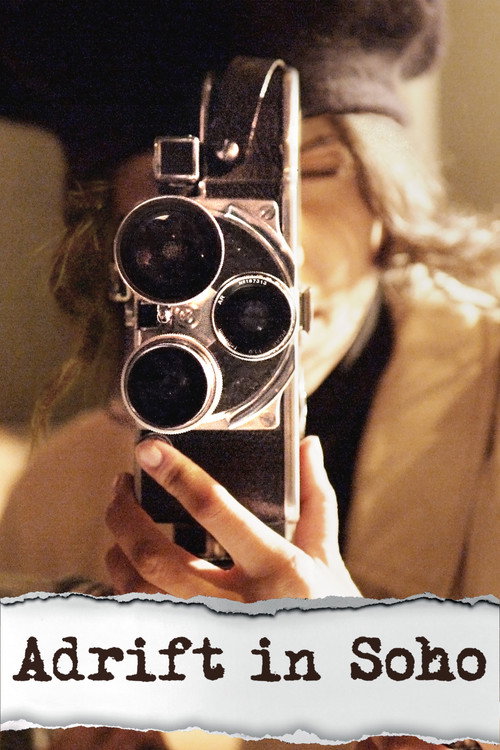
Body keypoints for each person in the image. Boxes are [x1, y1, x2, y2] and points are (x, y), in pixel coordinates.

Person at [0, 1, 499, 748]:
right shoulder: (62, 496)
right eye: (189, 221)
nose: (274, 256)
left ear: (383, 194)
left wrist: (360, 686)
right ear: (124, 252)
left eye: (316, 173)